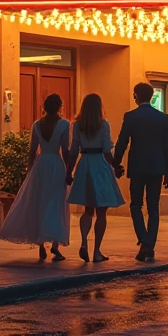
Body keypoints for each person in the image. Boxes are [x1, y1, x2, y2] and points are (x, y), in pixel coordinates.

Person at [0, 93, 70, 261]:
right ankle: (55, 245)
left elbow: (32, 150)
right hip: (55, 164)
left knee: (40, 202)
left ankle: (40, 245)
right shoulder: (64, 125)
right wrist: (69, 170)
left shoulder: (37, 124)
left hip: (41, 164)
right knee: (56, 203)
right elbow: (65, 149)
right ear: (60, 106)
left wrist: (30, 170)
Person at [113, 82, 168, 263]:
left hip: (138, 167)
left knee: (135, 205)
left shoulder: (131, 117)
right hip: (156, 167)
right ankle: (149, 244)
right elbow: (167, 146)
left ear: (136, 96)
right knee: (153, 207)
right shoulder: (162, 118)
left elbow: (122, 142)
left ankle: (144, 240)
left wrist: (116, 163)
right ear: (152, 96)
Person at [67, 93, 124, 263]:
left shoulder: (77, 125)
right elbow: (107, 150)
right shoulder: (103, 125)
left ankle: (84, 242)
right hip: (100, 165)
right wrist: (115, 165)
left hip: (85, 164)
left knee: (87, 209)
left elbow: (74, 149)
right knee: (102, 211)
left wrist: (69, 171)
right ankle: (97, 251)